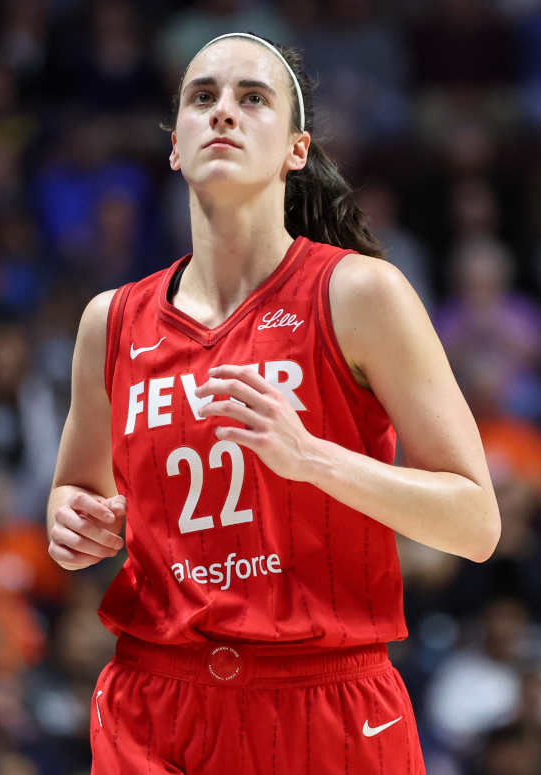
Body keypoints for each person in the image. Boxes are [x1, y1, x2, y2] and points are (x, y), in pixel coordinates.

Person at [46, 32, 501, 774]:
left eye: (251, 98)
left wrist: (312, 456)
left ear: (296, 149)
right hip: (153, 702)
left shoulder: (360, 293)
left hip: (328, 701)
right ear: (173, 146)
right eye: (203, 97)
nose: (224, 112)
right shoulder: (111, 320)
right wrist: (71, 520)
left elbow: (476, 522)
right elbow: (74, 488)